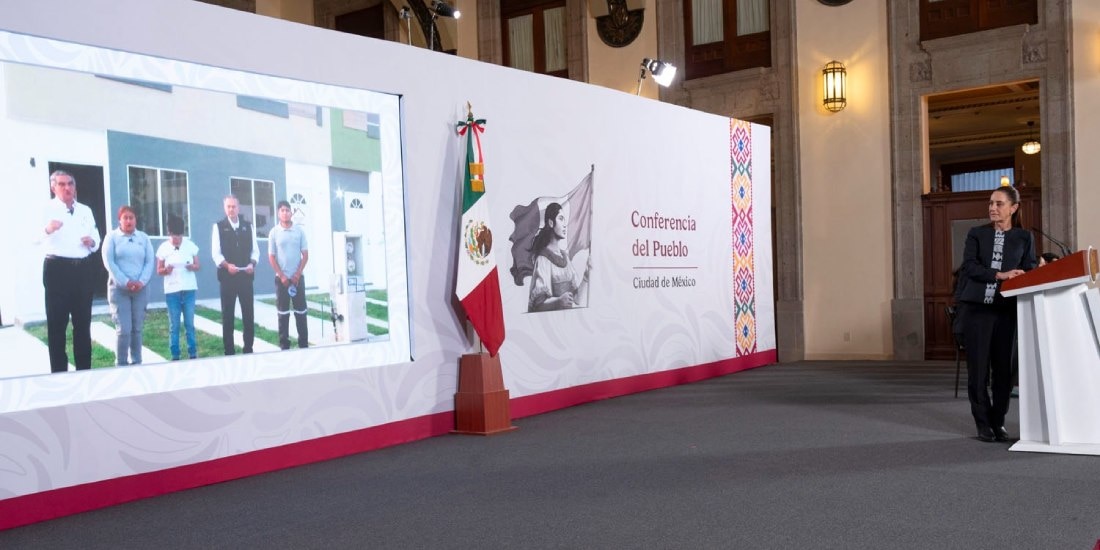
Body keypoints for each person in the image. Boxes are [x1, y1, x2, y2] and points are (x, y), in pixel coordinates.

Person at [954, 185, 1037, 442]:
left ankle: (998, 421)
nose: (992, 207)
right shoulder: (977, 234)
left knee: (1004, 370)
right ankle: (982, 424)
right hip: (977, 310)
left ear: (1013, 208)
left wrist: (1025, 274)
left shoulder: (1024, 238)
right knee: (978, 370)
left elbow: (1030, 267)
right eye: (991, 203)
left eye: (999, 203)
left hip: (1006, 311)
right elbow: (969, 267)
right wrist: (1000, 275)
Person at [40, 170, 100, 373]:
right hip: (57, 270)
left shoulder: (85, 210)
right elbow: (30, 237)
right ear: (53, 187)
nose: (67, 188)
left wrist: (92, 242)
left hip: (82, 270)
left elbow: (96, 237)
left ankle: (84, 372)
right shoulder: (46, 209)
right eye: (62, 184)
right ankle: (59, 375)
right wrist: (47, 230)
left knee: (83, 326)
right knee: (57, 327)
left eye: (70, 184)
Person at [102, 205, 155, 366]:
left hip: (140, 290)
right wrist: (126, 282)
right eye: (125, 218)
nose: (129, 221)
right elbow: (109, 262)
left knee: (136, 329)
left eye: (131, 217)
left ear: (135, 219)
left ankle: (137, 362)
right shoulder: (111, 237)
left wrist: (141, 282)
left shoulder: (144, 238)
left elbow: (149, 261)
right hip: (119, 290)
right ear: (120, 220)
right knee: (124, 330)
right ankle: (122, 364)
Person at [211, 195, 259, 355]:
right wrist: (226, 265)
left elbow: (255, 250)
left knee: (248, 315)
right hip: (227, 278)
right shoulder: (218, 227)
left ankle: (248, 349)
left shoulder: (248, 226)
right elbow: (215, 253)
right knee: (228, 316)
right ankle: (229, 351)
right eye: (228, 207)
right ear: (224, 208)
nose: (231, 209)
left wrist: (252, 264)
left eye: (234, 206)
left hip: (246, 277)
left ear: (238, 208)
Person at [527, 202, 590, 312]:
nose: (565, 224)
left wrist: (586, 276)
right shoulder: (543, 259)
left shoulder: (564, 257)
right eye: (561, 219)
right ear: (551, 223)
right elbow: (538, 305)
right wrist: (558, 301)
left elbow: (576, 300)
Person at [156, 216, 200, 361]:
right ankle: (175, 355)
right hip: (172, 291)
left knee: (189, 324)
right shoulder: (163, 248)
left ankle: (192, 353)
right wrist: (166, 270)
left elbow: (197, 266)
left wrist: (191, 266)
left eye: (179, 236)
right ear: (169, 233)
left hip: (189, 290)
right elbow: (159, 270)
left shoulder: (190, 245)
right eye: (174, 236)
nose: (177, 239)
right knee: (174, 325)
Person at [267, 200, 309, 350]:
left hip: (297, 279)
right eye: (282, 210)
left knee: (301, 313)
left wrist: (298, 274)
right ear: (278, 213)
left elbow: (305, 254)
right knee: (283, 314)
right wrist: (282, 276)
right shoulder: (274, 232)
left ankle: (303, 344)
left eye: (287, 210)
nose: (285, 213)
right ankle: (284, 346)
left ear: (292, 212)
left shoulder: (299, 231)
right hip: (281, 280)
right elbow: (271, 257)